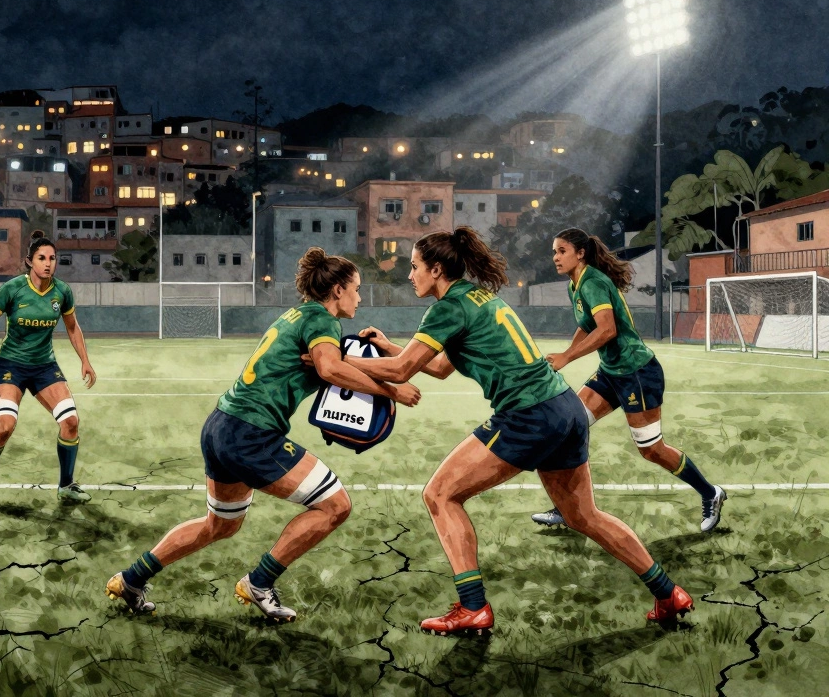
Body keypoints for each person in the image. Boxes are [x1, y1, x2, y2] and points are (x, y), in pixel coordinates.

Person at [346, 227, 692, 636]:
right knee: (583, 516)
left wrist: (333, 360)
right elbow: (437, 367)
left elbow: (403, 372)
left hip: (529, 416)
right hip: (566, 408)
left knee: (439, 494)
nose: (410, 275)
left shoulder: (447, 308)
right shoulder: (478, 297)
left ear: (436, 269)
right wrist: (388, 347)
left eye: (415, 266)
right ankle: (669, 593)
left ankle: (473, 607)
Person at [106, 248, 420, 622]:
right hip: (251, 434)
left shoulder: (296, 315)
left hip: (220, 425)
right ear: (337, 290)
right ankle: (258, 584)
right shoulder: (322, 319)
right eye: (356, 288)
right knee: (336, 506)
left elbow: (326, 365)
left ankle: (131, 579)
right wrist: (392, 390)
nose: (360, 297)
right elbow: (330, 368)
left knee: (220, 524)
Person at [530, 228, 725, 532]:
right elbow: (587, 324)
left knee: (652, 450)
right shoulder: (575, 284)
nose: (555, 257)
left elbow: (607, 330)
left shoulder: (593, 282)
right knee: (569, 426)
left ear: (580, 253)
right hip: (612, 372)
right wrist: (567, 352)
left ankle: (710, 493)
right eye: (554, 251)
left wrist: (568, 358)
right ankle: (569, 508)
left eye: (562, 251)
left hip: (637, 373)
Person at [0, 230, 97, 506]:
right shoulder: (12, 289)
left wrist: (85, 360)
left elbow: (72, 327)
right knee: (4, 427)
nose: (48, 263)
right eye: (41, 258)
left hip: (44, 367)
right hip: (11, 366)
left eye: (52, 258)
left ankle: (66, 486)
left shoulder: (62, 292)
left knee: (71, 423)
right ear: (30, 261)